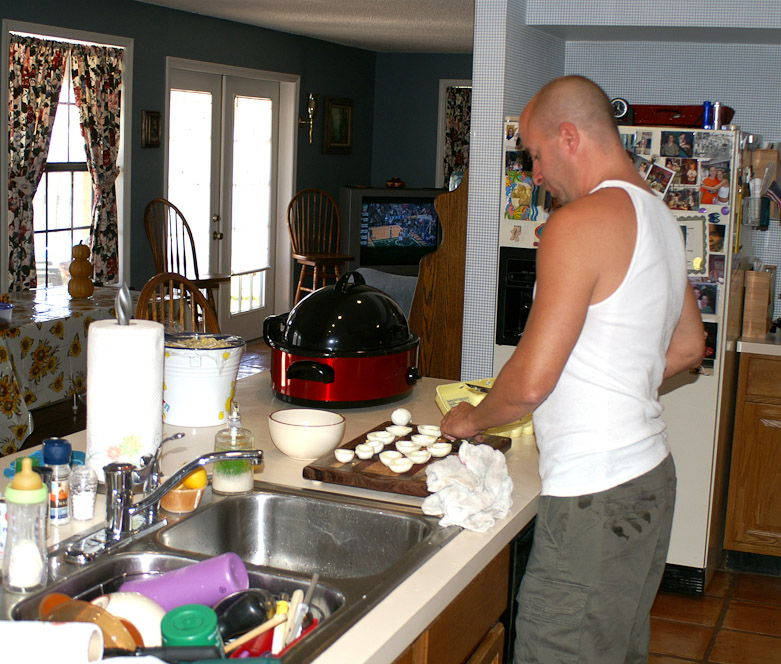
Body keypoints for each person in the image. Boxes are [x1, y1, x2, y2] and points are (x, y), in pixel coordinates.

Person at [440, 76, 705, 664]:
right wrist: (613, 383)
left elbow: (530, 382)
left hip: (596, 499)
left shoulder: (578, 224)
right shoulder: (661, 217)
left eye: (534, 155)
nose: (534, 175)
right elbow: (690, 347)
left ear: (568, 136)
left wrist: (472, 419)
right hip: (649, 481)